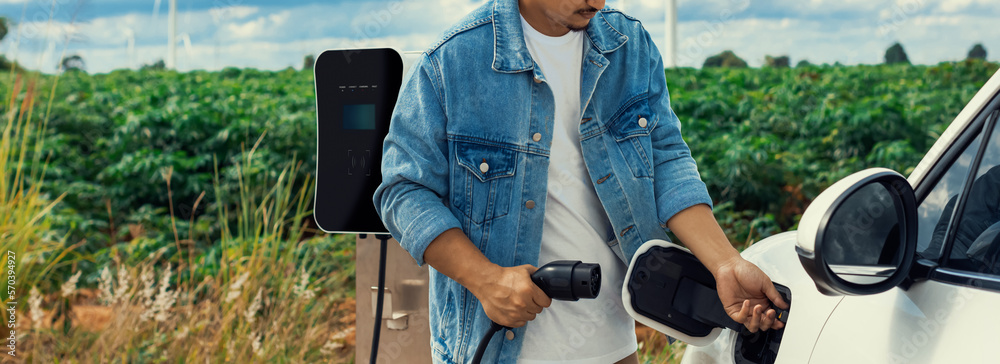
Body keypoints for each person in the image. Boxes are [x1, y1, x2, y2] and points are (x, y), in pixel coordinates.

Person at [373, 0, 788, 362]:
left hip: (612, 342)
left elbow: (665, 159)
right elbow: (403, 190)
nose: (598, 0)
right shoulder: (453, 61)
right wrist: (486, 280)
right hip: (498, 344)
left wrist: (726, 263)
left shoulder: (629, 44)